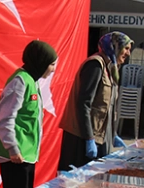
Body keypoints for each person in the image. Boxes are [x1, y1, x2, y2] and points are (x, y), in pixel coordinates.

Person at [0, 40, 57, 188]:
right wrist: (12, 148)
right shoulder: (20, 81)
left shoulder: (32, 80)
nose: (53, 70)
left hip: (26, 154)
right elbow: (5, 118)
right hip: (16, 156)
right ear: (41, 61)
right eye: (51, 64)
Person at [57, 32, 133, 171]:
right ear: (114, 46)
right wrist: (89, 138)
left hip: (99, 136)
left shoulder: (110, 68)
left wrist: (113, 133)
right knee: (75, 182)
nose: (128, 53)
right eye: (126, 48)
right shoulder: (96, 65)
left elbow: (107, 106)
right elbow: (83, 103)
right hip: (81, 137)